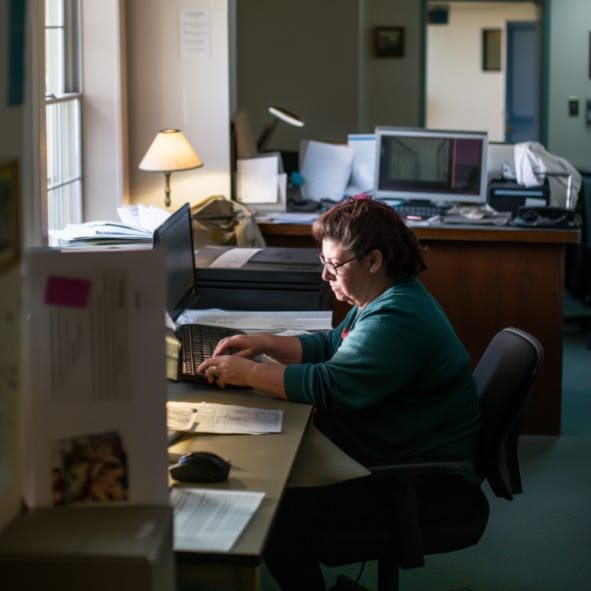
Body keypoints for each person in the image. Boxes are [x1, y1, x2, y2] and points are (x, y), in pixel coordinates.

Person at [198, 197, 481, 590]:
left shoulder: (397, 317)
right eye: (324, 262)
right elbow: (333, 344)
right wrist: (264, 343)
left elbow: (329, 386)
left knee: (270, 509)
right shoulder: (385, 296)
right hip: (394, 445)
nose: (325, 275)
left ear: (374, 260)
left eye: (335, 265)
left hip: (416, 479)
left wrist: (248, 373)